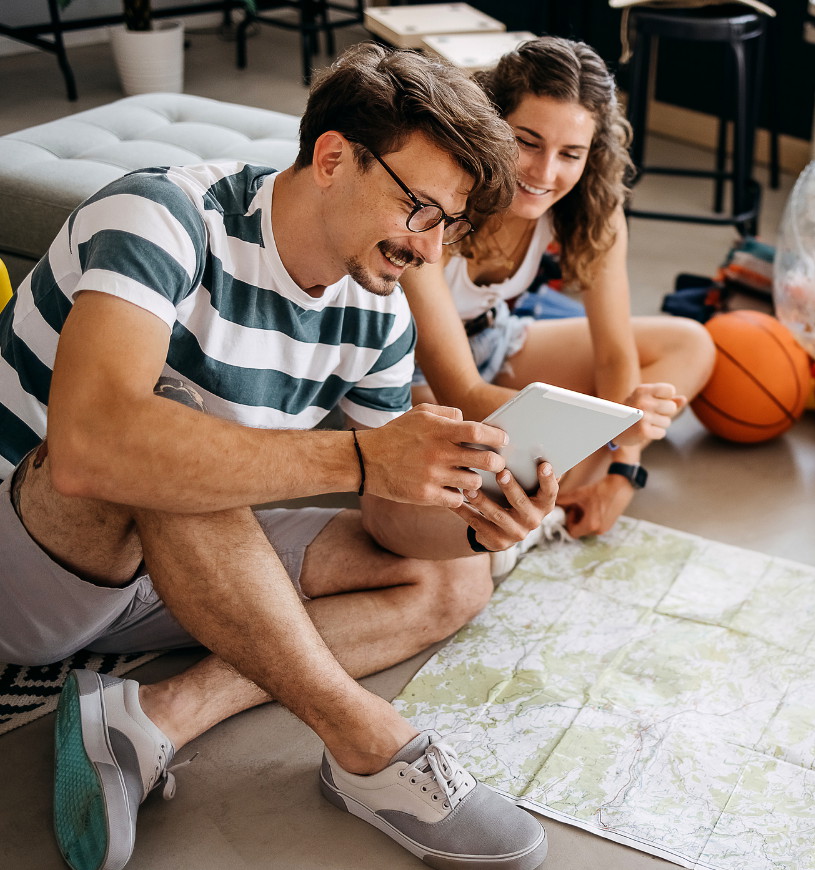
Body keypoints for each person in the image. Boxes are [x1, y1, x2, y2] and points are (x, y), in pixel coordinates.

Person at [0, 44, 555, 870]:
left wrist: (474, 521)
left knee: (452, 577)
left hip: (180, 568)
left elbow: (391, 523)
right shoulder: (161, 215)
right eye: (421, 212)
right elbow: (89, 450)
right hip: (32, 564)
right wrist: (363, 458)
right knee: (161, 420)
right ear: (333, 157)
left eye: (449, 227)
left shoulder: (378, 313)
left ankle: (153, 719)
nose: (431, 252)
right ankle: (367, 742)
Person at [402, 36, 715, 539]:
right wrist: (611, 427)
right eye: (526, 141)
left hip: (494, 338)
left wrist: (623, 467)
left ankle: (577, 487)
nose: (545, 173)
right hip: (413, 371)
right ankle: (558, 489)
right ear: (490, 121)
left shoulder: (591, 207)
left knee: (691, 342)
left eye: (571, 153)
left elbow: (615, 357)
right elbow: (460, 389)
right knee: (481, 461)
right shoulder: (440, 197)